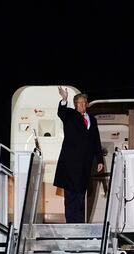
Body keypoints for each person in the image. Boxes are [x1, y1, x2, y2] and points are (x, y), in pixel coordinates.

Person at [55, 86, 104, 223]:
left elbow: (96, 140)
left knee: (81, 196)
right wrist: (64, 99)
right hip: (70, 164)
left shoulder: (92, 120)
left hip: (84, 164)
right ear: (75, 104)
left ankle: (80, 224)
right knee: (70, 196)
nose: (82, 105)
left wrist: (99, 160)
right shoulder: (69, 115)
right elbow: (61, 112)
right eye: (79, 103)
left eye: (84, 103)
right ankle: (70, 225)